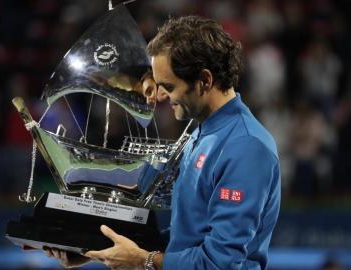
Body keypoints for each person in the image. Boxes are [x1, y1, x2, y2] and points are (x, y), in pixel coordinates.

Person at [43, 16, 281, 270]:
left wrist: (143, 261)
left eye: (168, 86)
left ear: (205, 81)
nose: (160, 95)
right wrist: (95, 250)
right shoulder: (200, 134)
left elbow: (220, 263)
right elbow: (184, 240)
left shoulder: (246, 147)